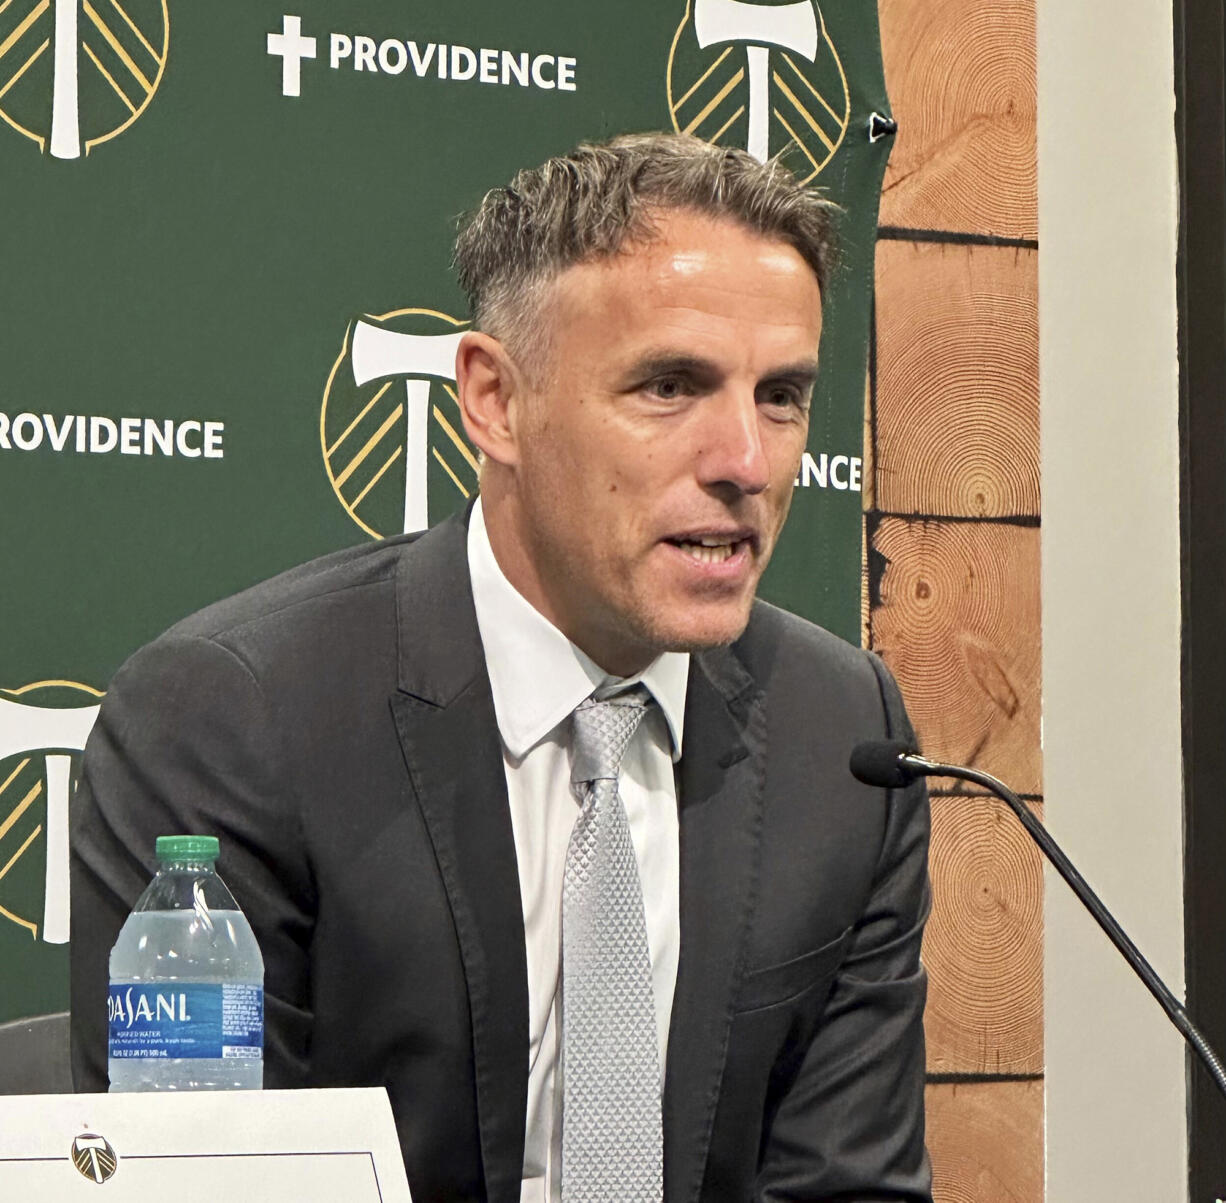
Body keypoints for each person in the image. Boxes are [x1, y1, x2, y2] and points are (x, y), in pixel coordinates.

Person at [71, 133, 932, 1202]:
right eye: (670, 386)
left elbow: (847, 1183)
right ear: (492, 400)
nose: (744, 464)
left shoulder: (839, 732)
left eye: (781, 396)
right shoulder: (235, 718)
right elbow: (191, 1188)